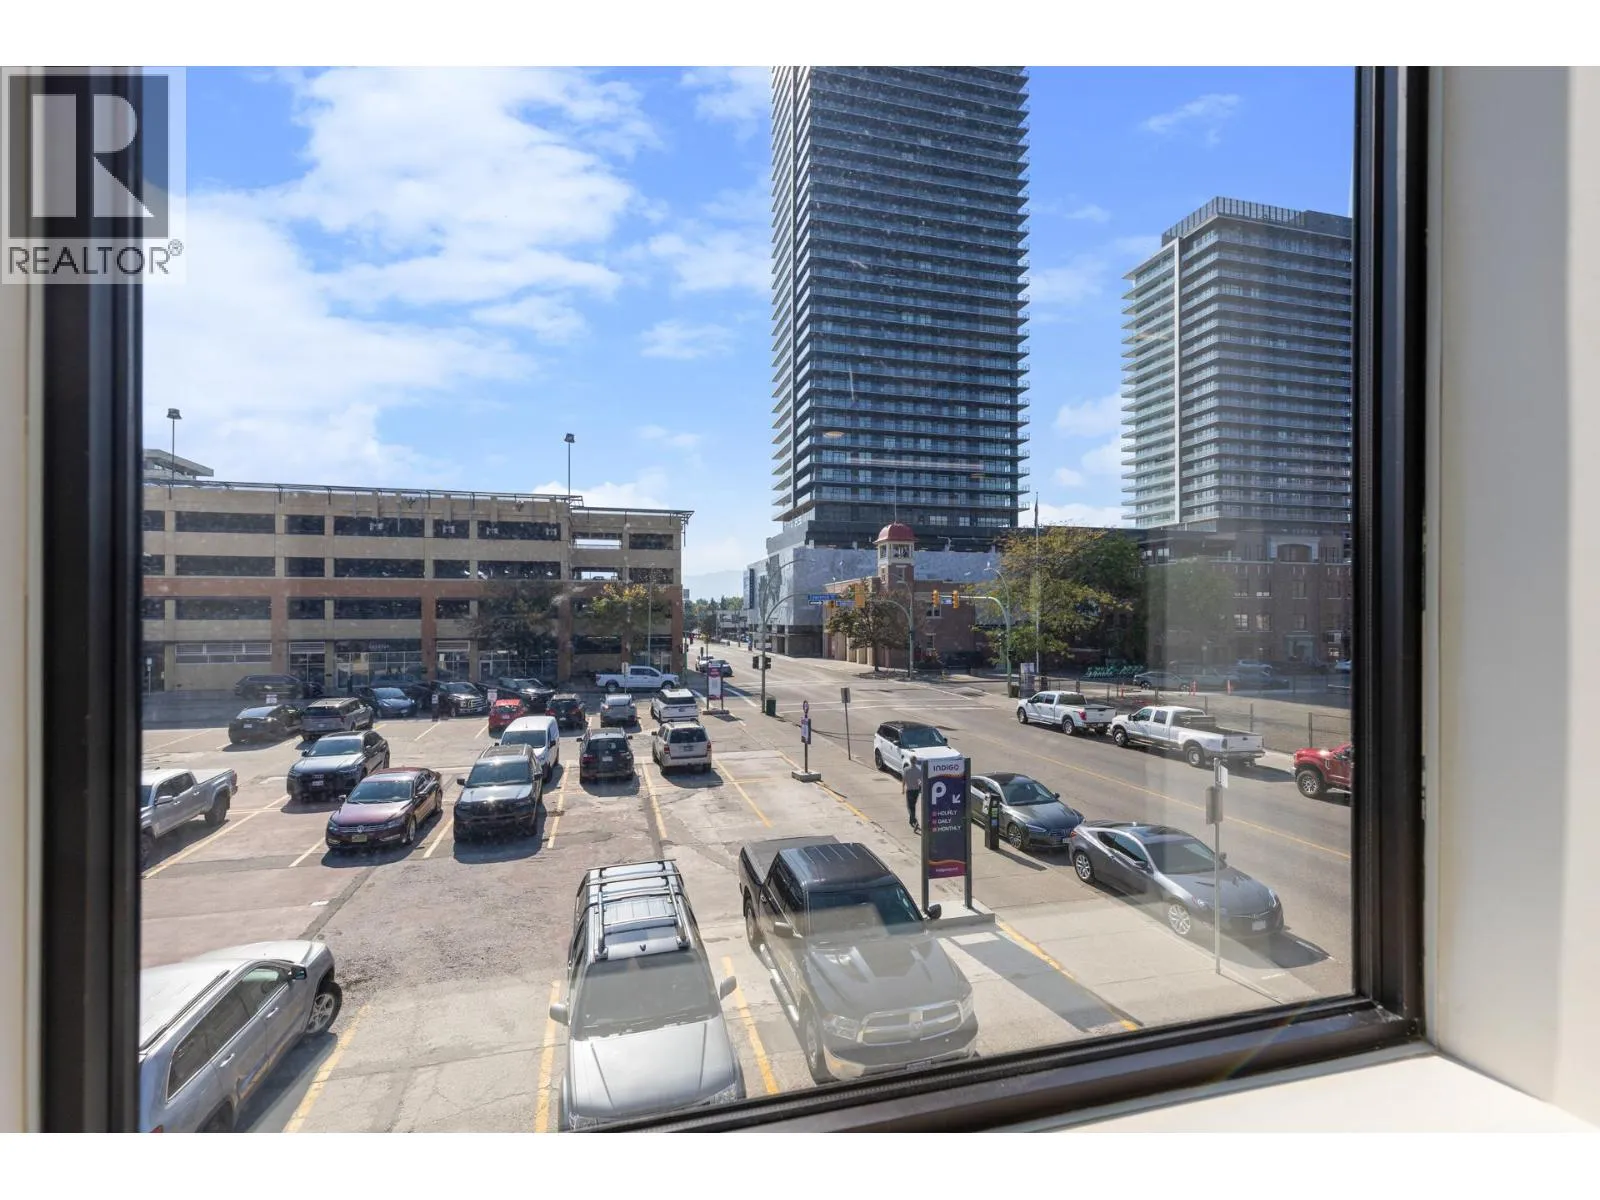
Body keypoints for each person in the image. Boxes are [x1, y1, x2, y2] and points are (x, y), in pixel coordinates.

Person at [904, 756, 924, 834]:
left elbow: (904, 779)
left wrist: (902, 788)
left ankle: (915, 822)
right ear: (915, 761)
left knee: (909, 807)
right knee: (913, 806)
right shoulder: (918, 770)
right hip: (916, 791)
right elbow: (921, 781)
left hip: (909, 790)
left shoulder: (906, 769)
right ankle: (911, 820)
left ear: (910, 761)